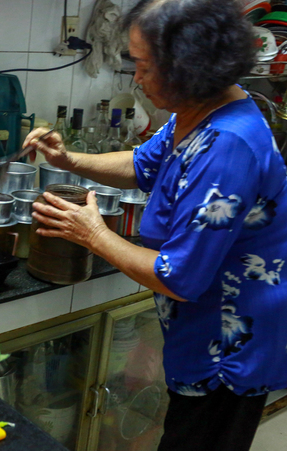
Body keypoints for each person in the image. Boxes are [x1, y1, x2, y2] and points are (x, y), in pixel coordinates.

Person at [24, 1, 287, 450]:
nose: (136, 79)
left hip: (228, 349)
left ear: (189, 67)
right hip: (199, 333)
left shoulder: (228, 145)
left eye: (144, 66)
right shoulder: (200, 111)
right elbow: (141, 163)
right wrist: (67, 160)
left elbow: (179, 277)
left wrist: (94, 234)